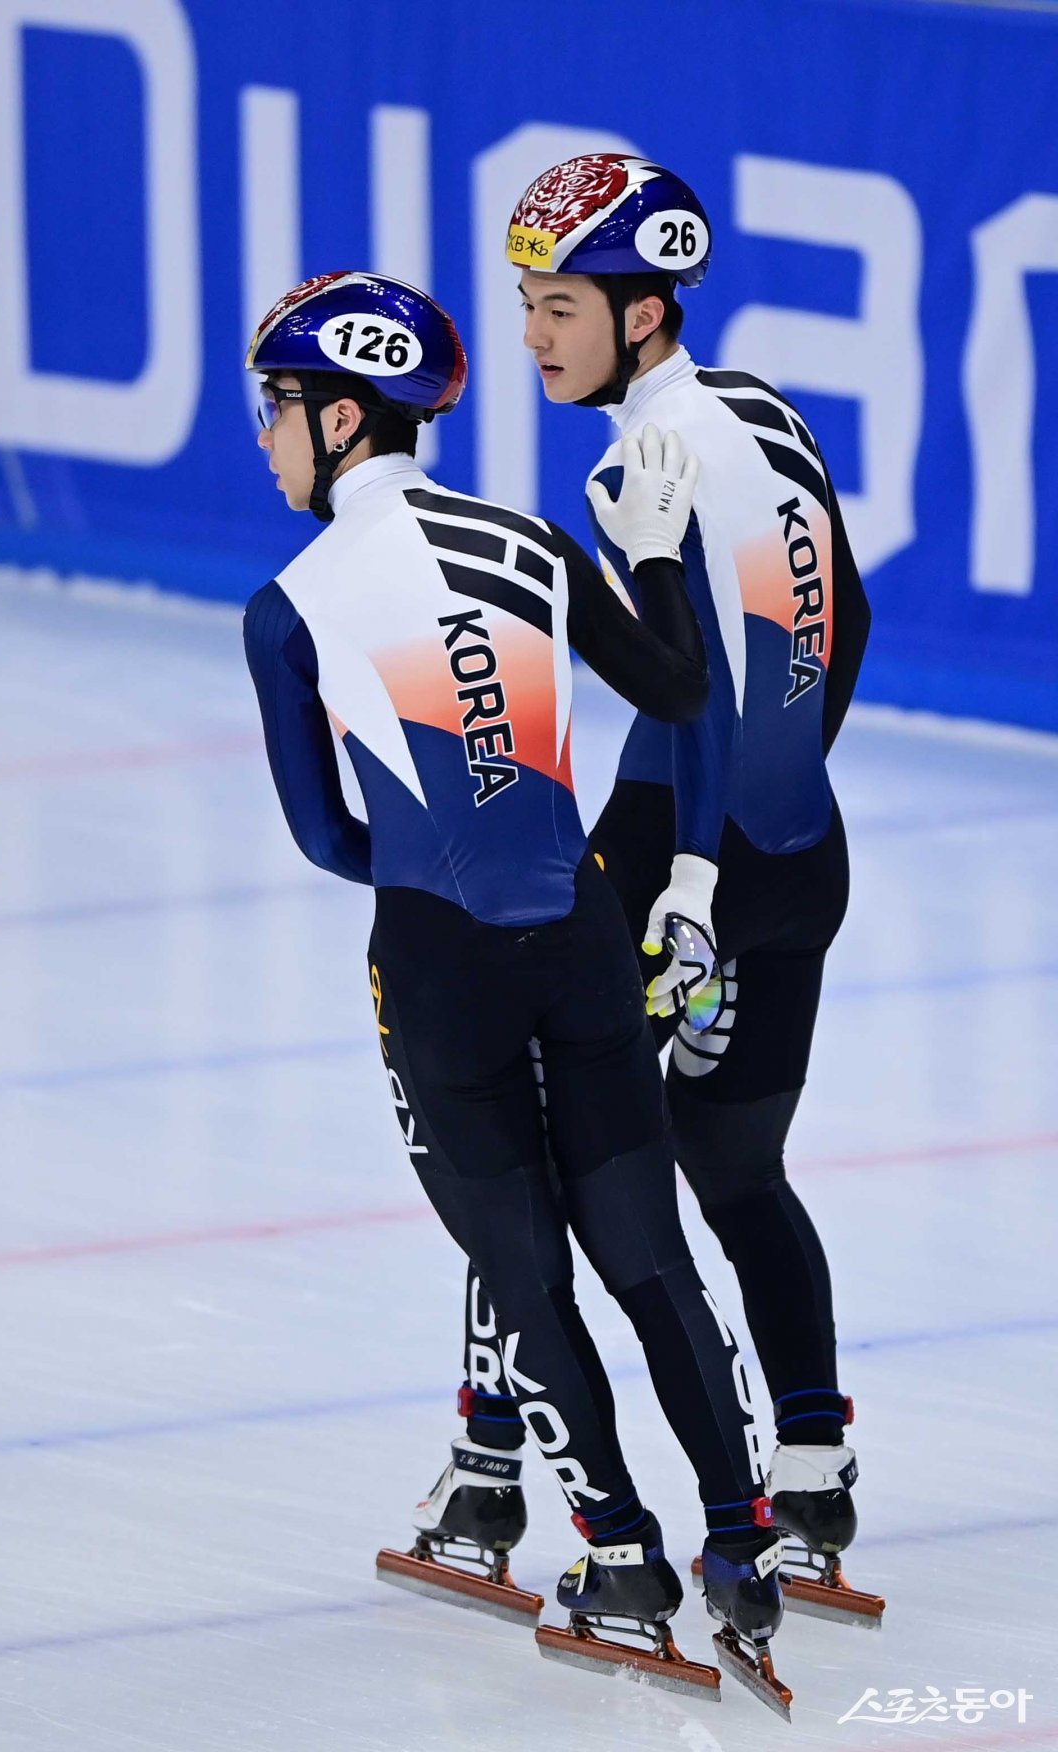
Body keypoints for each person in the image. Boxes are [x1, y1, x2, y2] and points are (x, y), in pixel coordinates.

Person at [241, 269, 793, 1710]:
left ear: (341, 419)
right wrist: (656, 555)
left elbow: (323, 838)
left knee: (525, 1267)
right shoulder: (534, 541)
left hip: (442, 966)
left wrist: (426, 867)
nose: (266, 439)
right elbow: (680, 690)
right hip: (586, 942)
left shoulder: (290, 607)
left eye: (275, 410)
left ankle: (623, 1558)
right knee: (650, 1254)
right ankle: (744, 1547)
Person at [433, 154, 880, 1629]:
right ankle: (813, 1474)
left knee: (529, 1151)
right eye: (523, 303)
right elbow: (847, 615)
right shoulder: (767, 410)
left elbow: (686, 696)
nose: (530, 337)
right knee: (739, 1173)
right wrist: (780, 802)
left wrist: (689, 880)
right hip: (801, 854)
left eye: (557, 308)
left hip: (669, 859)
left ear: (642, 313)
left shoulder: (637, 472)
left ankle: (488, 1473)